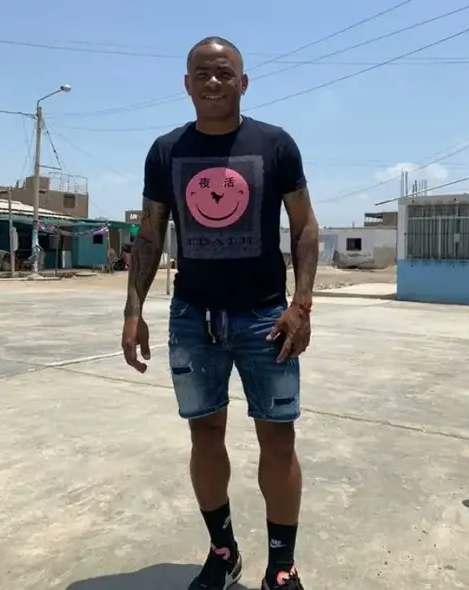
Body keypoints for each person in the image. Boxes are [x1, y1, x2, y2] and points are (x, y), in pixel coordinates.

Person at [119, 36, 319, 590]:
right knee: (204, 438)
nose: (213, 82)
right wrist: (133, 311)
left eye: (224, 73)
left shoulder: (275, 145)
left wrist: (301, 305)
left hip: (265, 319)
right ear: (187, 84)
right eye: (202, 74)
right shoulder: (166, 151)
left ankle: (281, 567)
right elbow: (151, 234)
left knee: (278, 440)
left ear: (243, 82)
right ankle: (224, 552)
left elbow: (305, 226)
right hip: (192, 318)